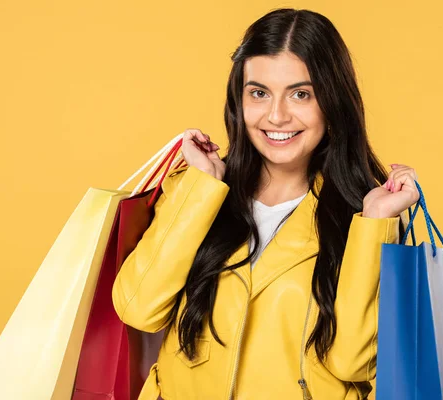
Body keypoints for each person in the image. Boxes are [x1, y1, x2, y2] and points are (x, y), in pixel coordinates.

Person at [112, 8, 420, 400]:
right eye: (259, 93)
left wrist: (375, 221)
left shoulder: (363, 216)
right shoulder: (198, 192)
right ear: (238, 100)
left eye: (301, 94)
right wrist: (202, 187)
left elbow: (353, 363)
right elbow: (138, 308)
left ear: (332, 101)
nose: (276, 116)